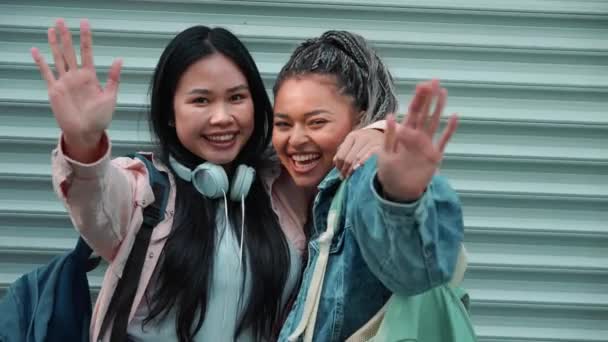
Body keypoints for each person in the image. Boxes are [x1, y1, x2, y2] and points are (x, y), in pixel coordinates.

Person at [30, 19, 383, 342]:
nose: (222, 117)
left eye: (236, 98)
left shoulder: (284, 187)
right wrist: (84, 141)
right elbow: (92, 196)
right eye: (201, 100)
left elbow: (340, 141)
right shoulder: (142, 190)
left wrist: (381, 133)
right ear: (170, 112)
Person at [270, 31, 464, 341]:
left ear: (360, 120)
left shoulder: (365, 176)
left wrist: (401, 199)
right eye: (283, 124)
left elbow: (412, 269)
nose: (295, 139)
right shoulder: (307, 186)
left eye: (316, 122)